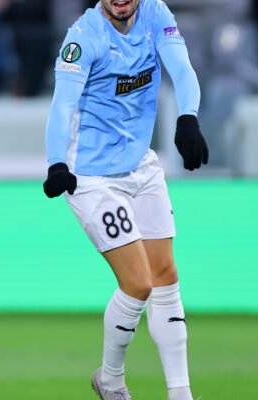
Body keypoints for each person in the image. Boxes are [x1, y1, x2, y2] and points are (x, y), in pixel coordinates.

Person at [43, 1, 208, 399]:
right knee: (138, 283)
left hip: (141, 166)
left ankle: (180, 393)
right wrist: (56, 163)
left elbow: (182, 69)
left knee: (165, 275)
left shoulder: (156, 13)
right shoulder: (83, 37)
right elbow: (62, 104)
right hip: (93, 177)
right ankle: (111, 381)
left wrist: (187, 116)